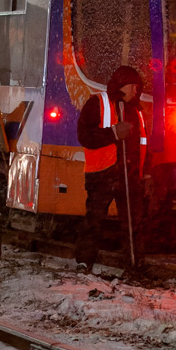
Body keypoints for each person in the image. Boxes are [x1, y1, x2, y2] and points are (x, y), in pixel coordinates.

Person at [74, 65, 145, 269]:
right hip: (102, 174)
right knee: (94, 221)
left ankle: (134, 264)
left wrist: (144, 173)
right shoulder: (97, 103)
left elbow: (142, 144)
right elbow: (85, 137)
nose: (136, 91)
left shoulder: (136, 110)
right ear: (122, 86)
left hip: (128, 175)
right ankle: (84, 262)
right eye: (133, 86)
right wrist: (113, 133)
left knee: (132, 223)